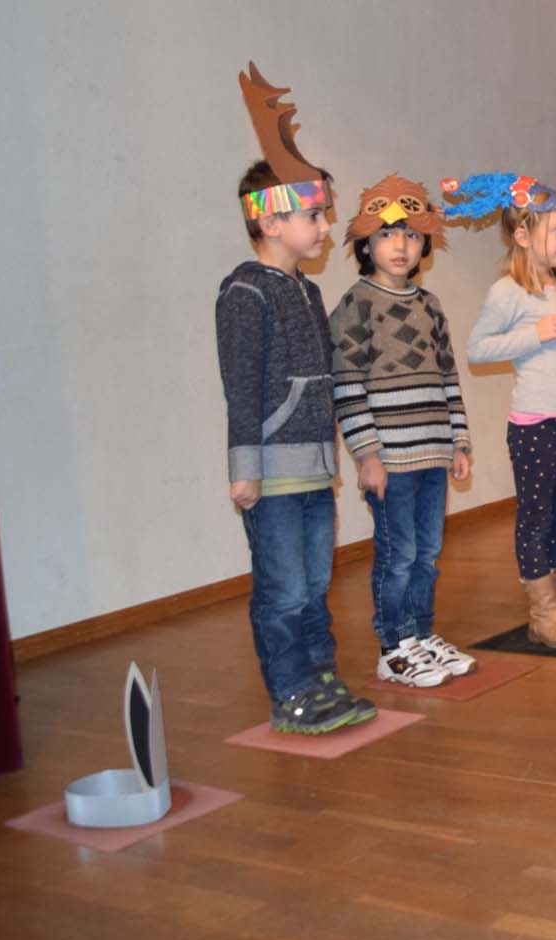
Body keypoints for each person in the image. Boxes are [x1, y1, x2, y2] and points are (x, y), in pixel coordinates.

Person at [218, 65, 374, 733]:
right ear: (270, 220)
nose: (325, 226)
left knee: (314, 586)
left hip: (313, 469)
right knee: (282, 590)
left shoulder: (307, 292)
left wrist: (337, 457)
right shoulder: (245, 291)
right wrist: (244, 467)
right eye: (314, 214)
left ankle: (321, 677)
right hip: (273, 474)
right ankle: (291, 693)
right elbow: (242, 384)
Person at [451, 172, 556, 646]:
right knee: (536, 518)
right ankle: (544, 613)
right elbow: (478, 349)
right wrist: (533, 334)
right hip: (536, 425)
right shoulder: (507, 291)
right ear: (523, 235)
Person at [330, 174, 476, 686]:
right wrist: (367, 454)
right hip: (390, 460)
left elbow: (449, 378)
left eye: (412, 235)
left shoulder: (430, 306)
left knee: (427, 554)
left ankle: (421, 636)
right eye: (388, 234)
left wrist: (459, 441)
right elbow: (346, 383)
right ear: (365, 243)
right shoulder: (357, 304)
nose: (401, 245)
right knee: (398, 555)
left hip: (433, 454)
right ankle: (393, 647)